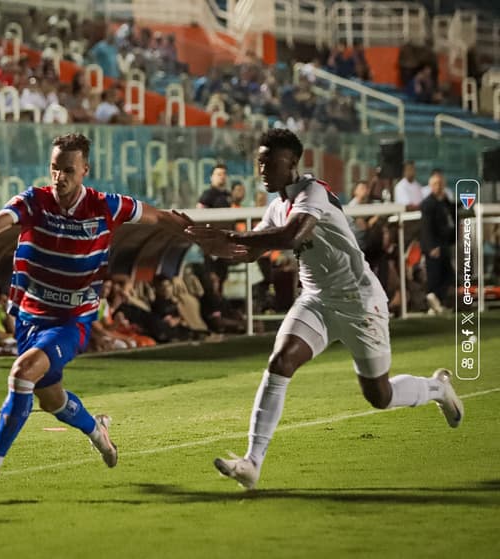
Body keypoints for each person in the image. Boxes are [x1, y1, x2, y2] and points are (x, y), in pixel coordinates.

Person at [185, 129, 463, 490]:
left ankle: (437, 389)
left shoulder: (312, 191)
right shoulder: (276, 206)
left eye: (271, 162)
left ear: (292, 163)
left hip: (359, 301)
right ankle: (252, 462)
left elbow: (293, 235)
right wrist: (205, 238)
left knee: (380, 396)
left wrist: (233, 237)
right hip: (316, 300)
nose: (263, 169)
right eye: (260, 162)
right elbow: (251, 250)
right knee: (280, 362)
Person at [0, 132, 193, 486]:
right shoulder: (33, 200)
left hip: (72, 321)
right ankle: (96, 430)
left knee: (22, 373)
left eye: (68, 170)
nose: (59, 177)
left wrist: (202, 235)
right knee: (51, 400)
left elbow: (159, 217)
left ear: (85, 169)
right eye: (55, 168)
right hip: (29, 318)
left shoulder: (106, 205)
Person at [420, 171, 455, 314]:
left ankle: (435, 303)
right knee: (435, 275)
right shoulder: (428, 203)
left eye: (440, 183)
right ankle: (432, 300)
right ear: (430, 185)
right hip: (434, 246)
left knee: (447, 275)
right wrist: (431, 247)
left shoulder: (445, 202)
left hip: (444, 244)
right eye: (435, 184)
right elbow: (426, 227)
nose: (438, 186)